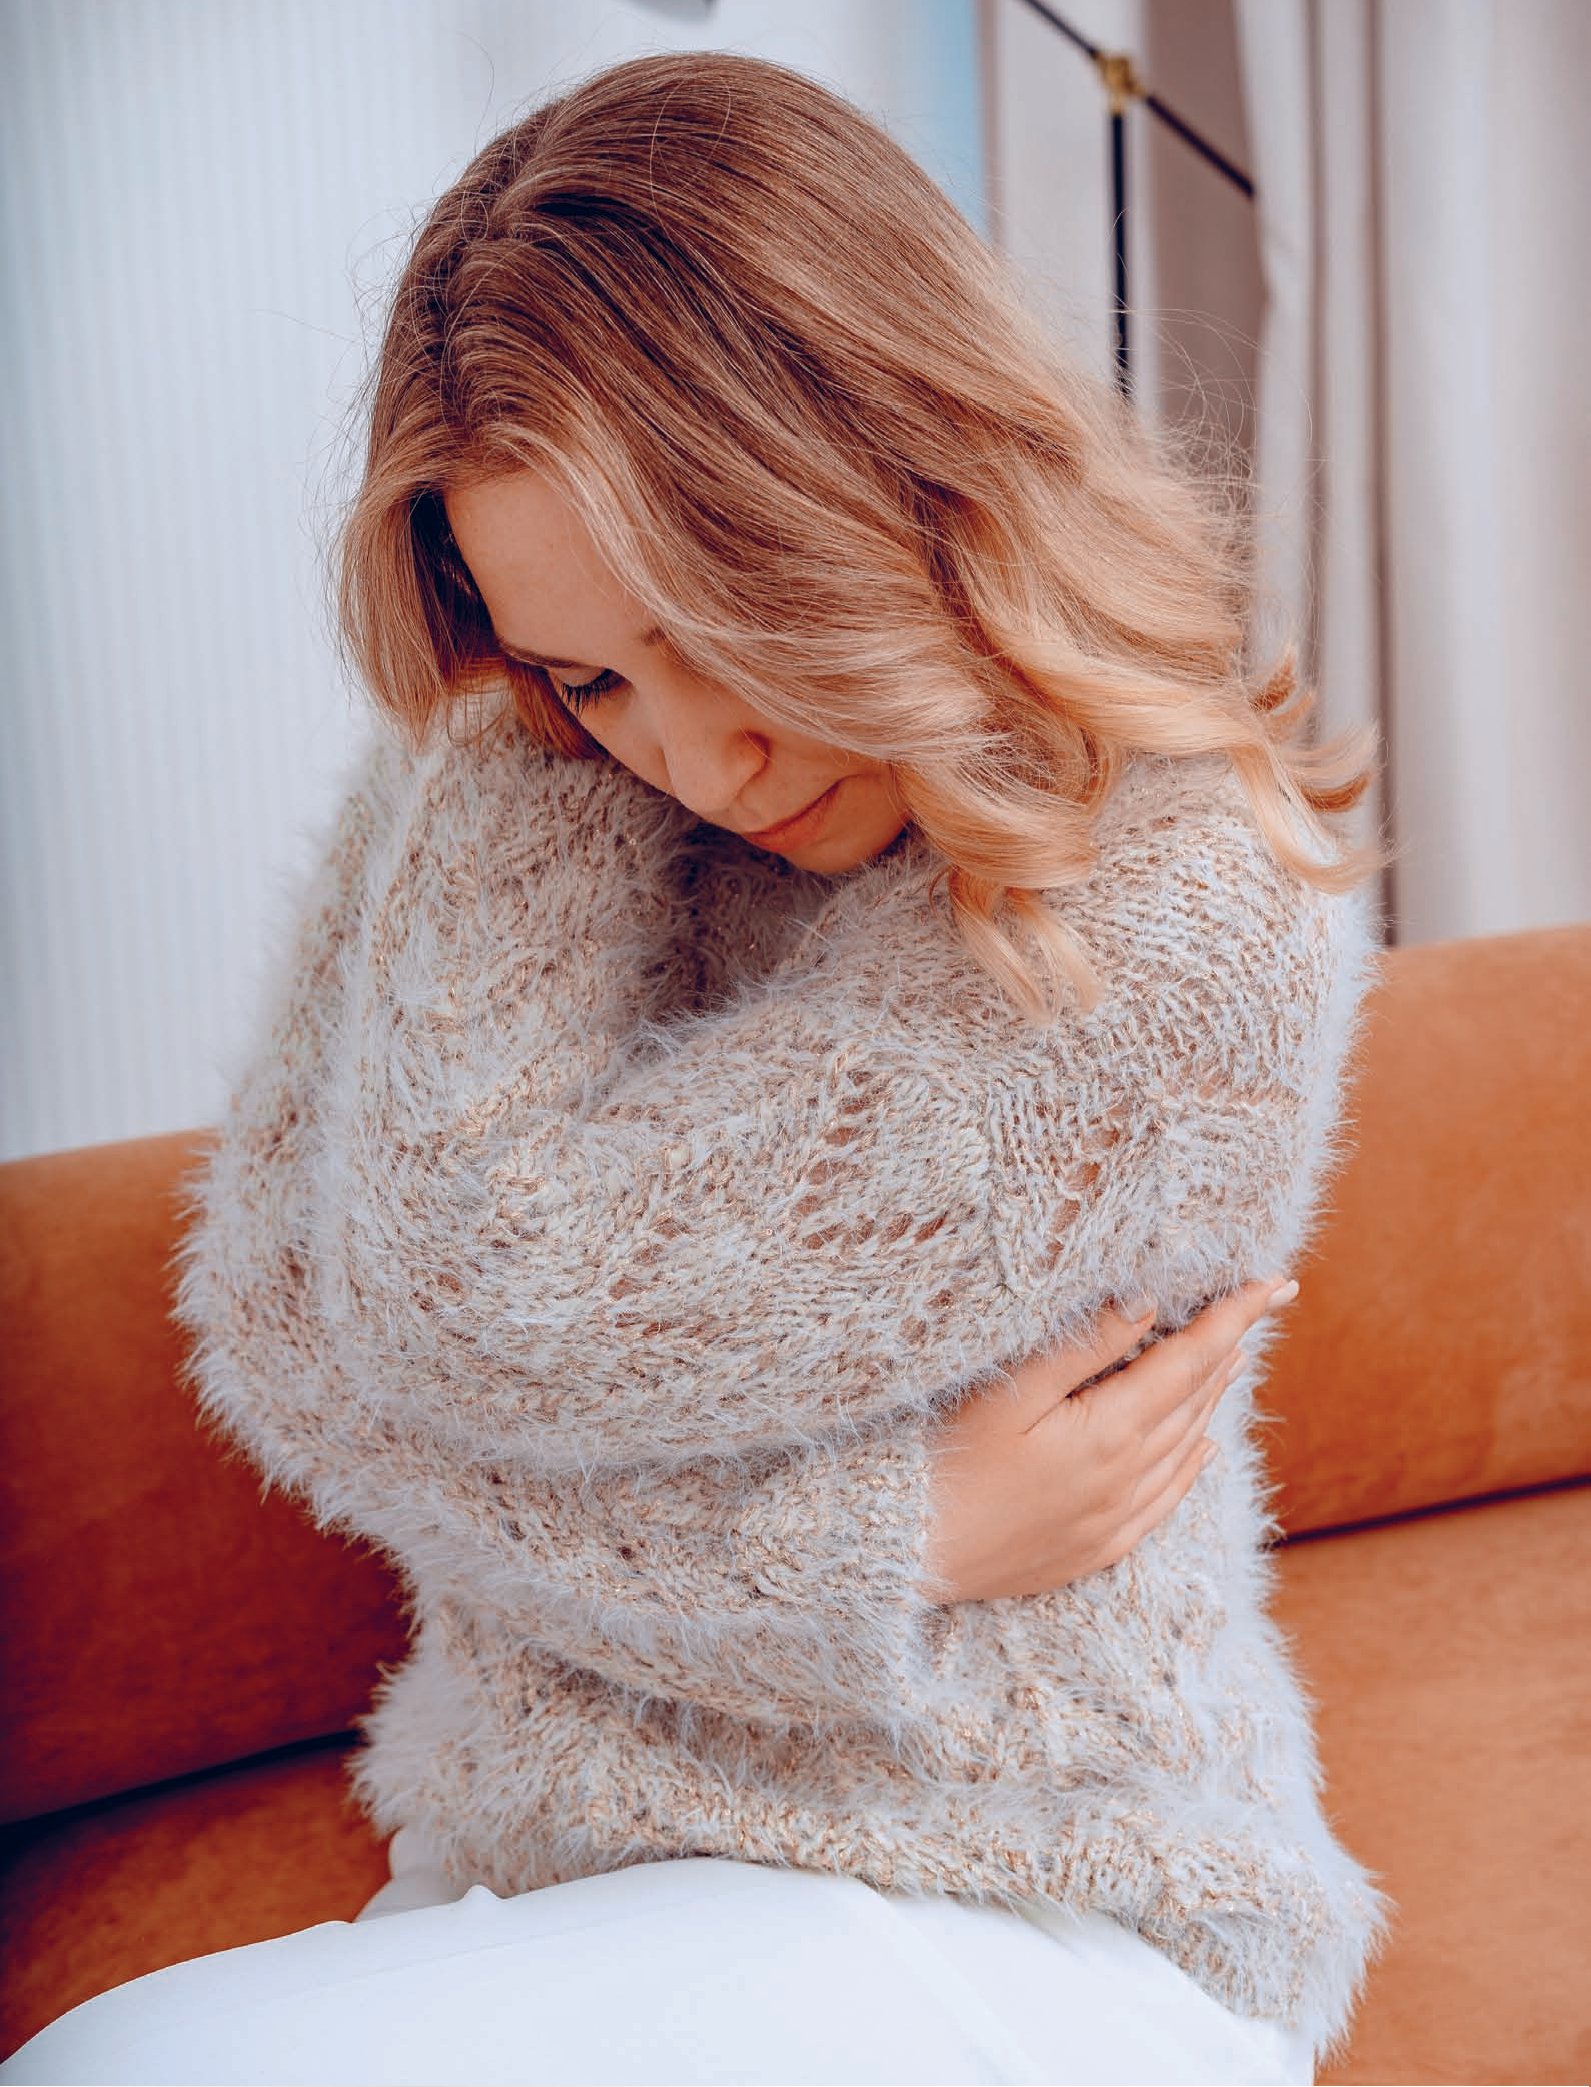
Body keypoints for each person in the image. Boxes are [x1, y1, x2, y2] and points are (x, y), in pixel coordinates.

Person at [1, 49, 1396, 2087]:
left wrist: (731, 1553)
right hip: (541, 1876)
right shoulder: (555, 754)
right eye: (591, 675)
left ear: (903, 470)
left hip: (1020, 1892)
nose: (700, 758)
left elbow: (467, 1291)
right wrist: (883, 1548)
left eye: (725, 616)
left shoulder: (1180, 913)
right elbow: (296, 1339)